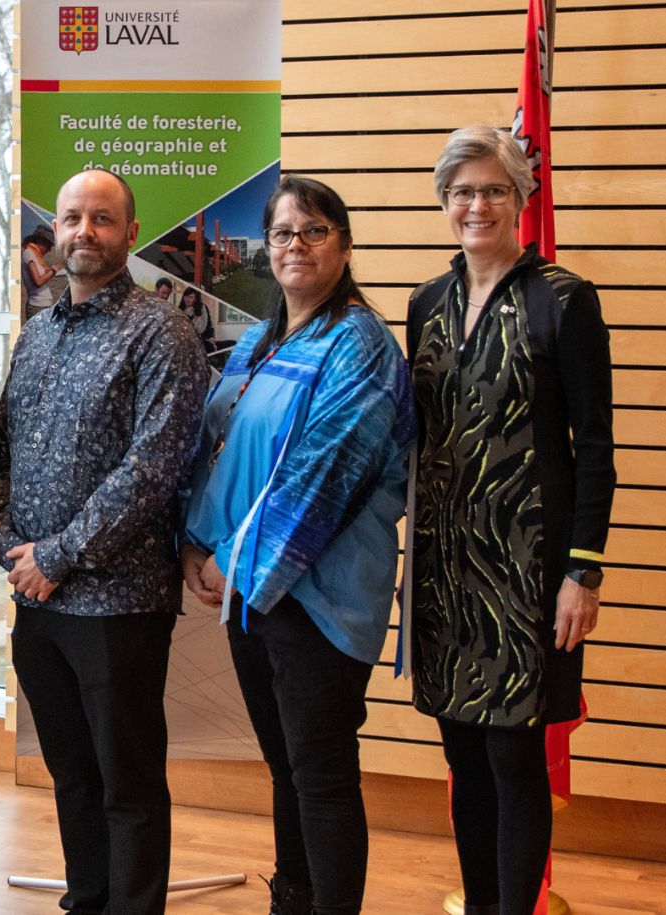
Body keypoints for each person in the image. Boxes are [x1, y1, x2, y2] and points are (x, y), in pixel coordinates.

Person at [178, 176, 414, 915]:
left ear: (345, 245)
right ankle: (294, 897)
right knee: (285, 767)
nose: (296, 245)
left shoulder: (360, 344)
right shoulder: (260, 339)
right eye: (282, 232)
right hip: (249, 591)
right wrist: (195, 542)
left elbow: (326, 474)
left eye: (314, 231)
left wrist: (231, 561)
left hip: (321, 596)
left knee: (321, 774)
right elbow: (217, 447)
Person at [0, 168, 207, 915]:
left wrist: (57, 555)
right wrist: (9, 543)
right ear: (55, 230)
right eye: (72, 217)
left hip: (119, 605)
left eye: (102, 218)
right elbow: (5, 451)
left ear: (131, 233)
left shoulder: (163, 331)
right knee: (73, 777)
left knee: (127, 784)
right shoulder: (37, 334)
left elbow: (153, 468)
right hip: (38, 601)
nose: (84, 231)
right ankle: (86, 901)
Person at [407, 126, 614, 915]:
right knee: (463, 755)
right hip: (445, 572)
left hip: (530, 572)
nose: (477, 205)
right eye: (462, 191)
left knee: (512, 759)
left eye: (494, 188)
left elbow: (597, 446)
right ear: (444, 202)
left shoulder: (564, 298)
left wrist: (583, 569)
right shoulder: (426, 302)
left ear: (521, 197)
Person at [22, 225, 60, 317]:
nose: (49, 249)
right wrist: (54, 270)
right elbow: (38, 282)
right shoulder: (28, 253)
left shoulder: (35, 256)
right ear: (40, 242)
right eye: (49, 245)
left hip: (42, 306)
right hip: (37, 307)